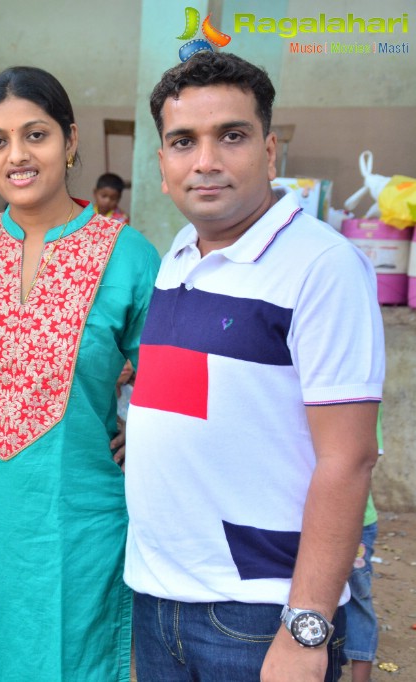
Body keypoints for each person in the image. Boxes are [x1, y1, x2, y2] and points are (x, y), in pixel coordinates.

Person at [124, 51, 384, 682]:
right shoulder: (178, 256)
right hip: (158, 603)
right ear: (163, 166)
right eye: (184, 141)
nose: (206, 160)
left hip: (259, 616)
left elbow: (348, 458)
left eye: (231, 136)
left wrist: (307, 625)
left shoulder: (323, 267)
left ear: (270, 153)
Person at [0, 66, 160, 681]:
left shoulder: (129, 255)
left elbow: (166, 380)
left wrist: (142, 429)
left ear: (70, 142)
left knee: (68, 657)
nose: (17, 155)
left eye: (35, 135)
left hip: (73, 515)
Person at [344, 407, 383, 682]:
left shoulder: (362, 397)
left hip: (353, 522)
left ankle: (361, 678)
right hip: (303, 519)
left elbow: (364, 458)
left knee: (356, 598)